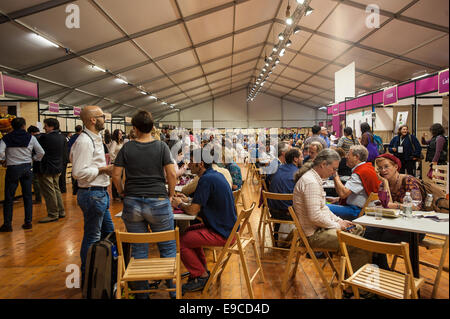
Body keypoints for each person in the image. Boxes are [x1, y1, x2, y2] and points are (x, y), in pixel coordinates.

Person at [112, 110, 177, 299]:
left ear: (135, 128)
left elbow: (116, 175)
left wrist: (123, 192)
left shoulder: (127, 148)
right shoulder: (162, 147)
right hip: (158, 200)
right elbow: (171, 174)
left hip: (132, 201)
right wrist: (170, 195)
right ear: (152, 127)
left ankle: (141, 294)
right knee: (167, 247)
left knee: (139, 249)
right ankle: (173, 291)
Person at [293, 149, 371, 271]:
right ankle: (353, 287)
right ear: (323, 164)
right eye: (334, 169)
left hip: (319, 229)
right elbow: (315, 217)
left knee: (358, 229)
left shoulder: (314, 179)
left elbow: (323, 209)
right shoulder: (311, 182)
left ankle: (350, 275)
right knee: (360, 245)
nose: (334, 172)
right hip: (313, 235)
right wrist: (338, 226)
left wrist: (339, 221)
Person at [172, 148, 237, 293]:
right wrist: (187, 199)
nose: (188, 165)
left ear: (200, 164)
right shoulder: (213, 175)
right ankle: (202, 271)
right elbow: (203, 201)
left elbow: (193, 210)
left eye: (192, 162)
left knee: (181, 242)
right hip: (227, 228)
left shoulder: (206, 179)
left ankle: (200, 276)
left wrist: (179, 204)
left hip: (223, 233)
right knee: (188, 232)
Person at [70, 105, 114, 284]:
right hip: (92, 194)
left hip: (99, 193)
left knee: (109, 233)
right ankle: (89, 276)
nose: (105, 118)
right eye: (102, 116)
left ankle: (103, 272)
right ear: (93, 120)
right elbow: (78, 172)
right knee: (92, 236)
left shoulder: (93, 138)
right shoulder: (84, 141)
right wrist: (103, 169)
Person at [364, 153, 425, 269]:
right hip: (393, 224)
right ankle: (382, 269)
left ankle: (383, 270)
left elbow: (416, 206)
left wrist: (395, 206)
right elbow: (388, 205)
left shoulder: (408, 180)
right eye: (380, 168)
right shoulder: (383, 183)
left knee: (382, 238)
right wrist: (386, 184)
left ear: (396, 166)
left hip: (414, 227)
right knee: (370, 232)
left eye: (386, 166)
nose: (383, 170)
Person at [0, 118, 45, 232]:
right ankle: (28, 222)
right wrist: (33, 159)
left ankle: (7, 224)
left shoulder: (6, 138)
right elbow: (41, 152)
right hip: (26, 168)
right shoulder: (31, 137)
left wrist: (4, 160)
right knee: (28, 196)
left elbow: (0, 153)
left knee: (9, 197)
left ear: (12, 126)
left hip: (12, 169)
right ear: (24, 126)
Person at [328, 145, 381, 220]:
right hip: (364, 209)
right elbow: (359, 194)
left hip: (357, 211)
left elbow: (343, 194)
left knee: (323, 208)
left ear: (356, 157)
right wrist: (337, 199)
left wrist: (335, 174)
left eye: (348, 155)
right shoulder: (368, 168)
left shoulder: (360, 172)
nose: (346, 157)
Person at [267, 148, 302, 243]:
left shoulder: (277, 168)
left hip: (272, 210)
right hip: (288, 213)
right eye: (301, 157)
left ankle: (278, 235)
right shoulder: (298, 173)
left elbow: (269, 179)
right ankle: (299, 239)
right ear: (295, 159)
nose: (303, 159)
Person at [37, 118, 67, 223]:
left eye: (46, 125)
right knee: (56, 189)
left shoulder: (44, 137)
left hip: (47, 168)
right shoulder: (62, 137)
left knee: (49, 192)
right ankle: (61, 211)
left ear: (51, 127)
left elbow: (38, 152)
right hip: (58, 166)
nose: (44, 127)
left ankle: (53, 214)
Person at [27, 125, 43, 203]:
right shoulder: (44, 136)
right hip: (46, 163)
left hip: (37, 163)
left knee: (36, 181)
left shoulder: (34, 138)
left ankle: (38, 198)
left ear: (31, 133)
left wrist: (34, 158)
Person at [109, 129, 125, 201]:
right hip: (115, 163)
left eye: (121, 133)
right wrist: (116, 159)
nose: (121, 135)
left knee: (120, 178)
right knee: (115, 178)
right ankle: (115, 195)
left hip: (120, 163)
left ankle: (118, 193)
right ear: (116, 134)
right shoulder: (114, 142)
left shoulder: (121, 142)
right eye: (119, 134)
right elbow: (111, 153)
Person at [68, 125, 83, 195]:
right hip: (81, 157)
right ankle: (79, 188)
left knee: (74, 173)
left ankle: (74, 188)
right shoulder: (82, 138)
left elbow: (69, 148)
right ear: (81, 130)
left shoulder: (72, 138)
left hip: (74, 158)